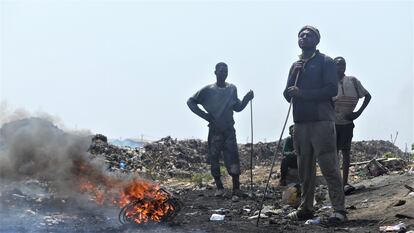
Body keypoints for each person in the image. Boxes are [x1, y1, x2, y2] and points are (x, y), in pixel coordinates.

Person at [283, 26, 346, 223]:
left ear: (317, 40)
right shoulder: (296, 65)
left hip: (321, 121)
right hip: (301, 123)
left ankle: (339, 211)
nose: (304, 37)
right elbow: (287, 95)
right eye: (301, 34)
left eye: (309, 35)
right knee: (304, 170)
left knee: (329, 166)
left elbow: (330, 89)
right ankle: (306, 208)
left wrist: (303, 94)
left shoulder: (325, 61)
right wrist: (294, 80)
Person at [187, 62, 254, 198]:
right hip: (215, 130)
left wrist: (246, 99)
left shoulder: (232, 89)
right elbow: (190, 102)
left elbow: (237, 107)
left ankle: (236, 188)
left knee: (233, 157)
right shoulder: (208, 90)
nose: (223, 73)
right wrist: (205, 116)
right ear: (215, 72)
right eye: (221, 71)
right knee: (214, 157)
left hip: (229, 129)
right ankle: (219, 187)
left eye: (226, 71)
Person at [333, 56, 371, 195]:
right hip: (333, 123)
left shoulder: (353, 81)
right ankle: (337, 184)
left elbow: (367, 96)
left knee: (346, 152)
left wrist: (358, 113)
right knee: (334, 154)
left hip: (347, 123)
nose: (340, 66)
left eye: (342, 64)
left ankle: (344, 183)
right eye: (337, 64)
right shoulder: (329, 83)